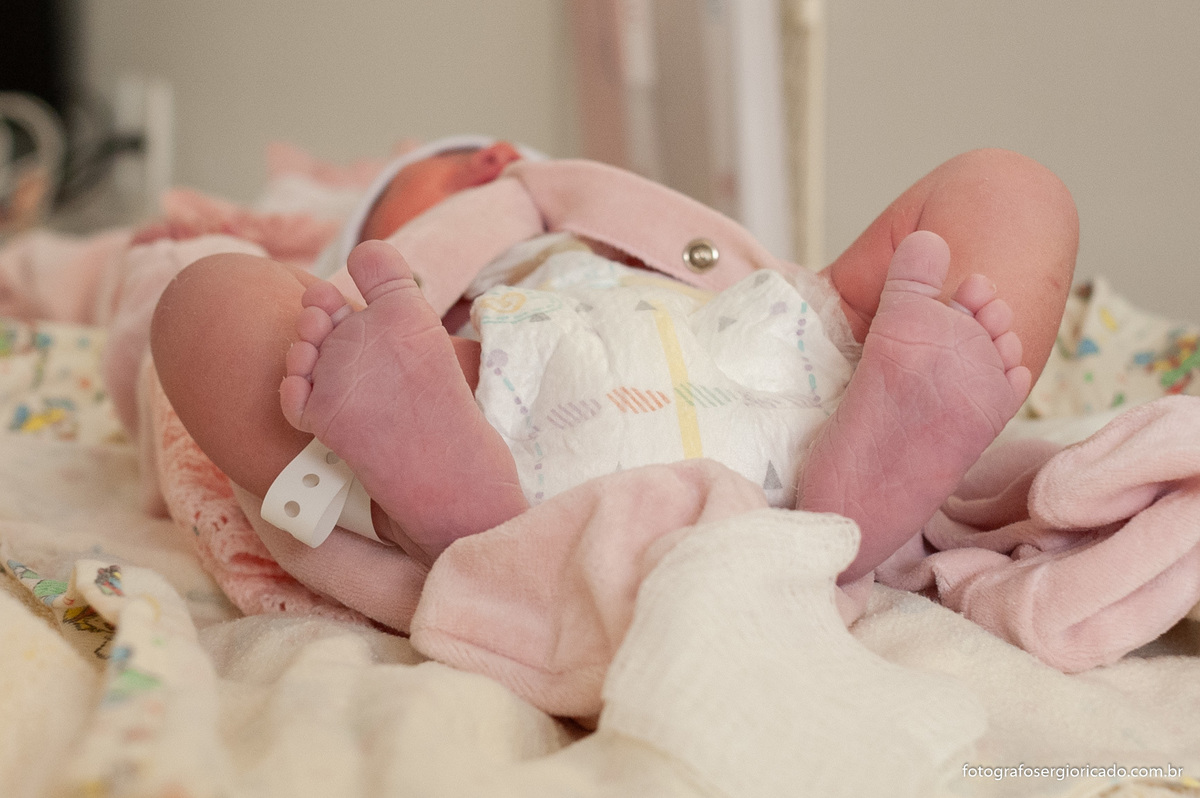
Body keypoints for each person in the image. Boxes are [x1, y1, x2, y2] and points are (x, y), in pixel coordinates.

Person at [149, 138, 1078, 585]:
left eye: (501, 151)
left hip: (770, 364)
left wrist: (839, 313)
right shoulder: (410, 340)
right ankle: (457, 507)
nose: (498, 158)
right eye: (447, 164)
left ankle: (865, 471)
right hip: (488, 399)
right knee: (207, 297)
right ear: (377, 236)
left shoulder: (736, 288)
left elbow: (755, 279)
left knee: (1007, 187)